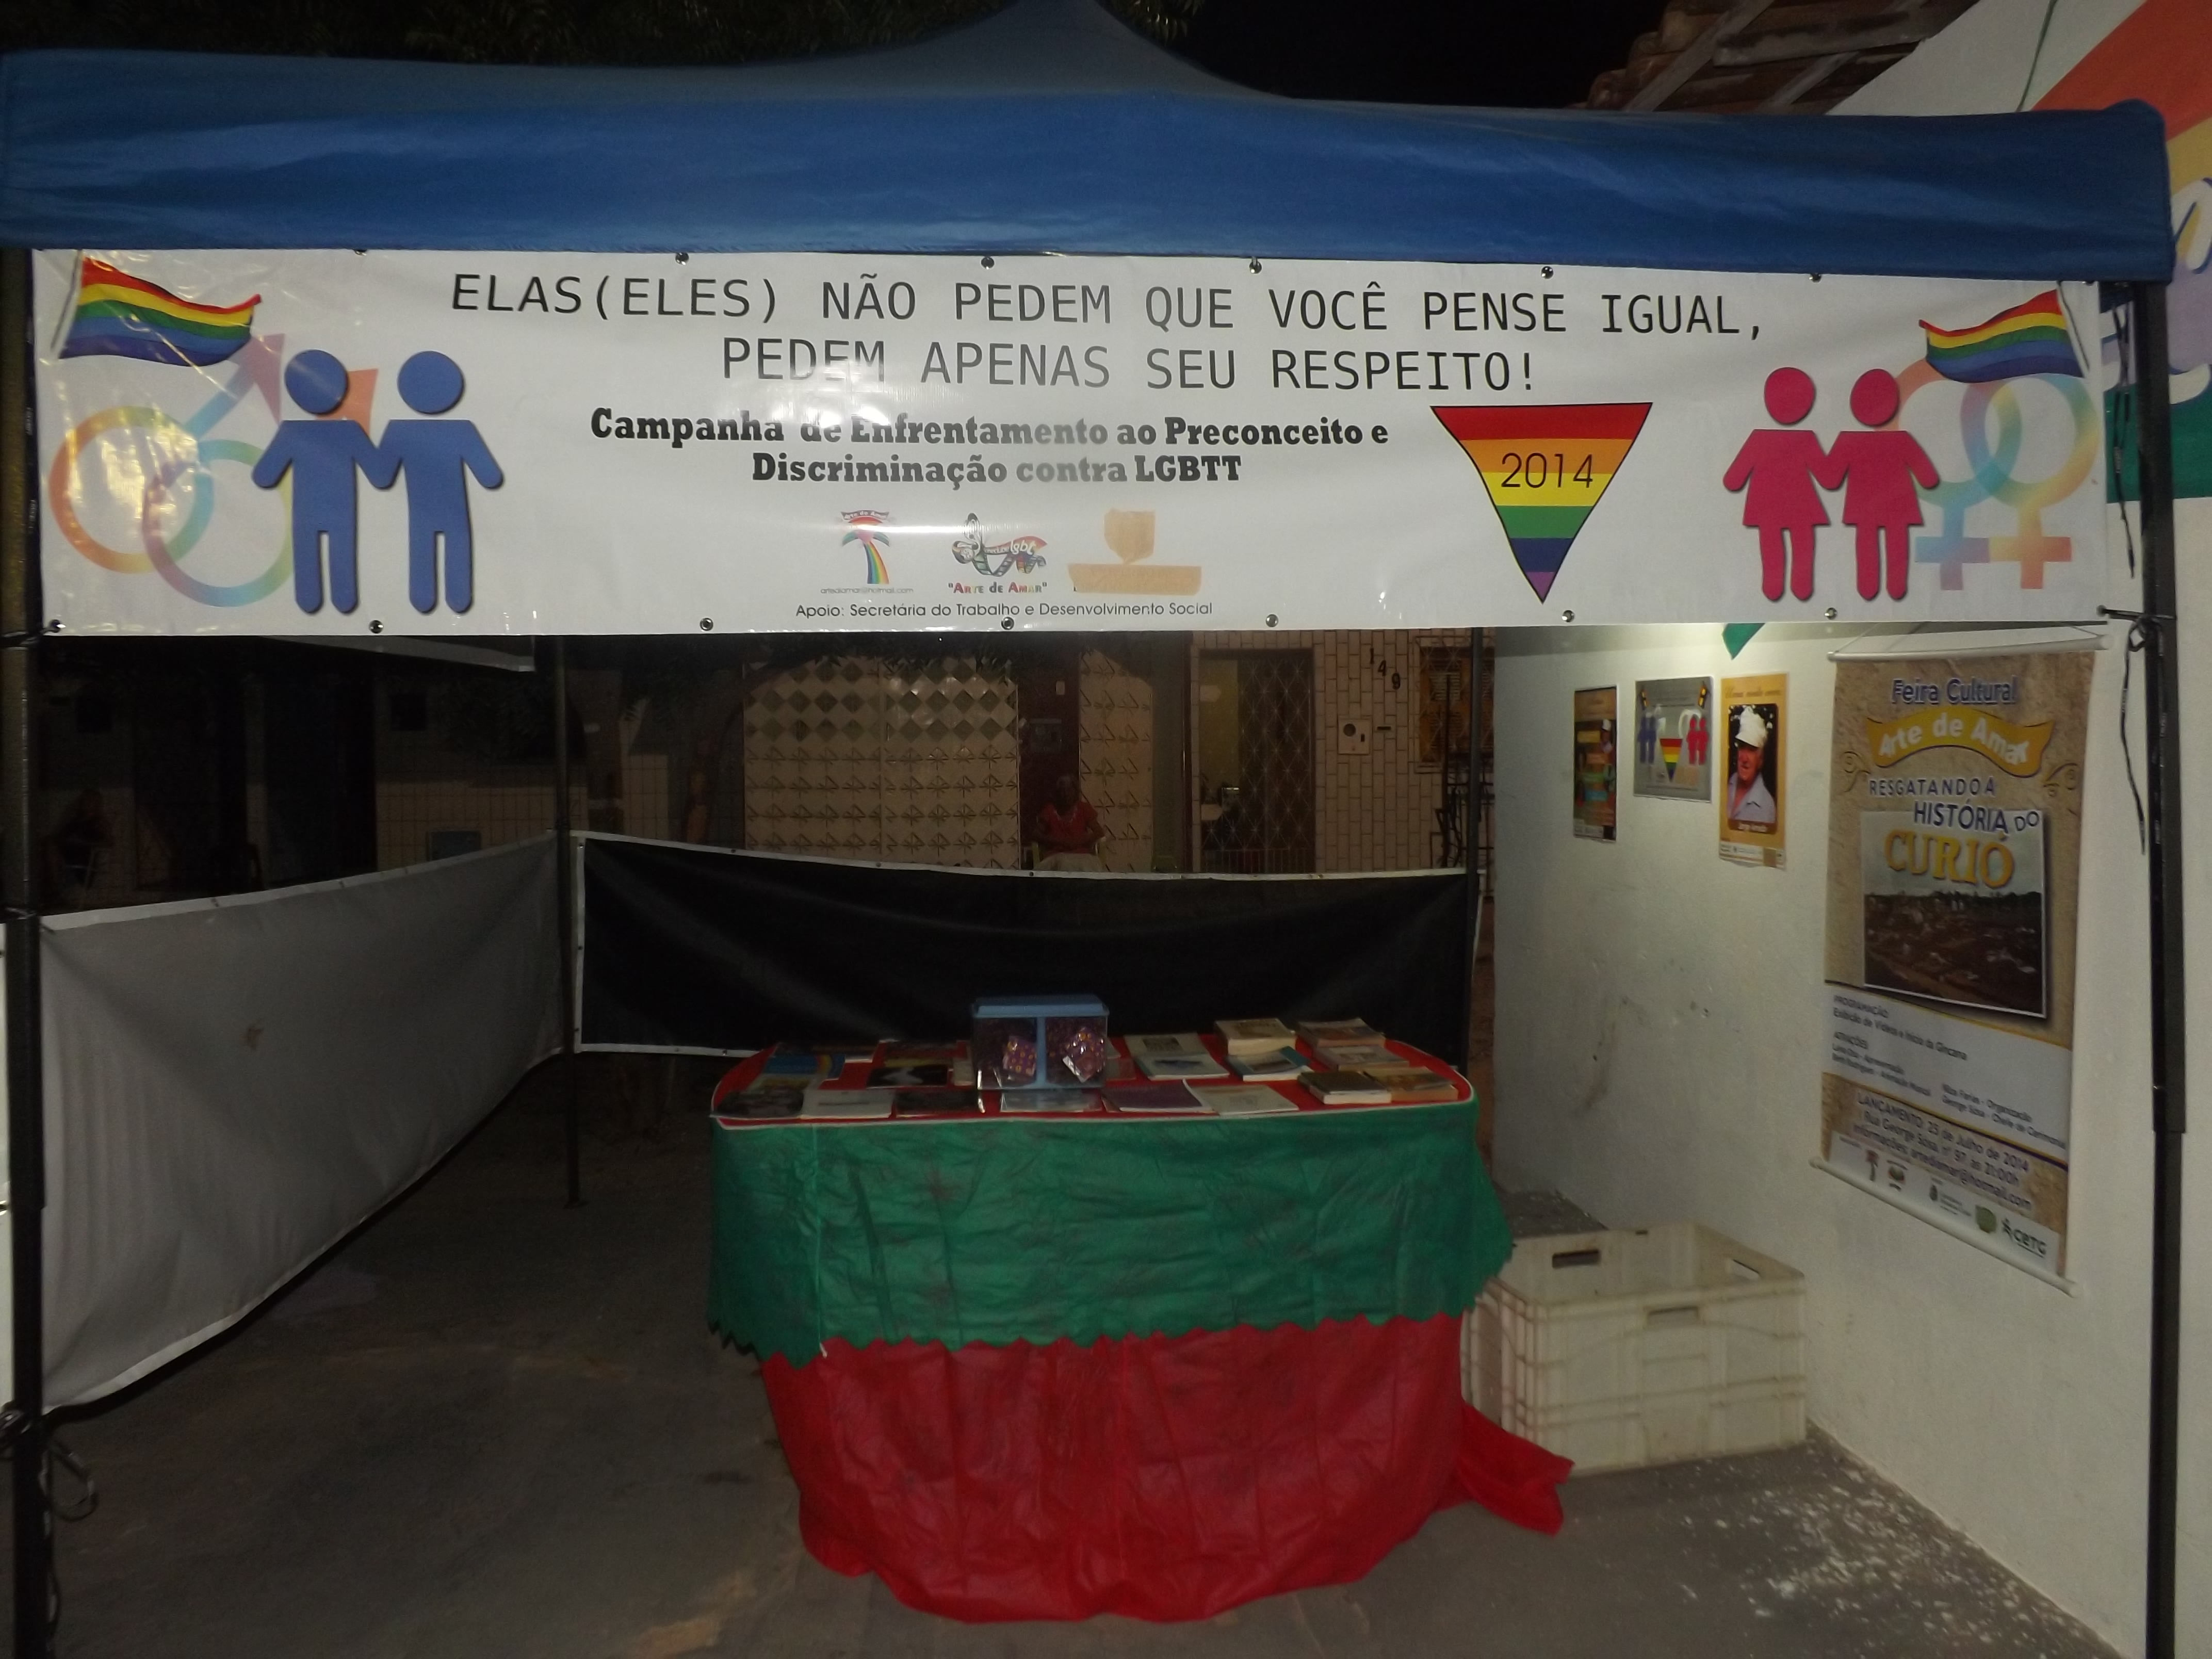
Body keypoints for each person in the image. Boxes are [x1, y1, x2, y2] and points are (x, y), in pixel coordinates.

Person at [251, 349, 397, 614]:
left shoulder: (293, 433)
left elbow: (264, 474)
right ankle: (342, 600)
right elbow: (381, 475)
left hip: (307, 513)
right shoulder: (350, 431)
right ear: (339, 387)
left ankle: (313, 599)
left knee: (307, 556)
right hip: (341, 512)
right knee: (342, 555)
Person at [378, 351, 504, 614]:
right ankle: (456, 599)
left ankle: (425, 600)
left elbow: (381, 475)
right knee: (456, 549)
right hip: (454, 514)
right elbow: (490, 476)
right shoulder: (461, 431)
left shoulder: (399, 431)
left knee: (421, 550)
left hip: (421, 515)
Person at [1722, 367, 1830, 603]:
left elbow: (1733, 479)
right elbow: (1828, 477)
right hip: (1801, 508)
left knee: (1772, 543)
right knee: (1803, 543)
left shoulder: (1759, 440)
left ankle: (1774, 584)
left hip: (1767, 509)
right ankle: (1800, 584)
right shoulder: (1805, 440)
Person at [1034, 774, 1104, 866]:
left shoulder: (1084, 808)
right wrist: (1059, 841)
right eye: (1062, 791)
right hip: (1057, 855)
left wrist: (1079, 841)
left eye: (1069, 790)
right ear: (1058, 793)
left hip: (1081, 855)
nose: (1066, 794)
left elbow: (1099, 832)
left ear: (1075, 792)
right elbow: (1037, 834)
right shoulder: (1050, 810)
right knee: (1064, 865)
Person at [1726, 707, 1777, 827]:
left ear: (1761, 760)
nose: (1744, 759)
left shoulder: (1766, 807)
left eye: (1752, 750)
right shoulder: (1727, 783)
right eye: (1742, 747)